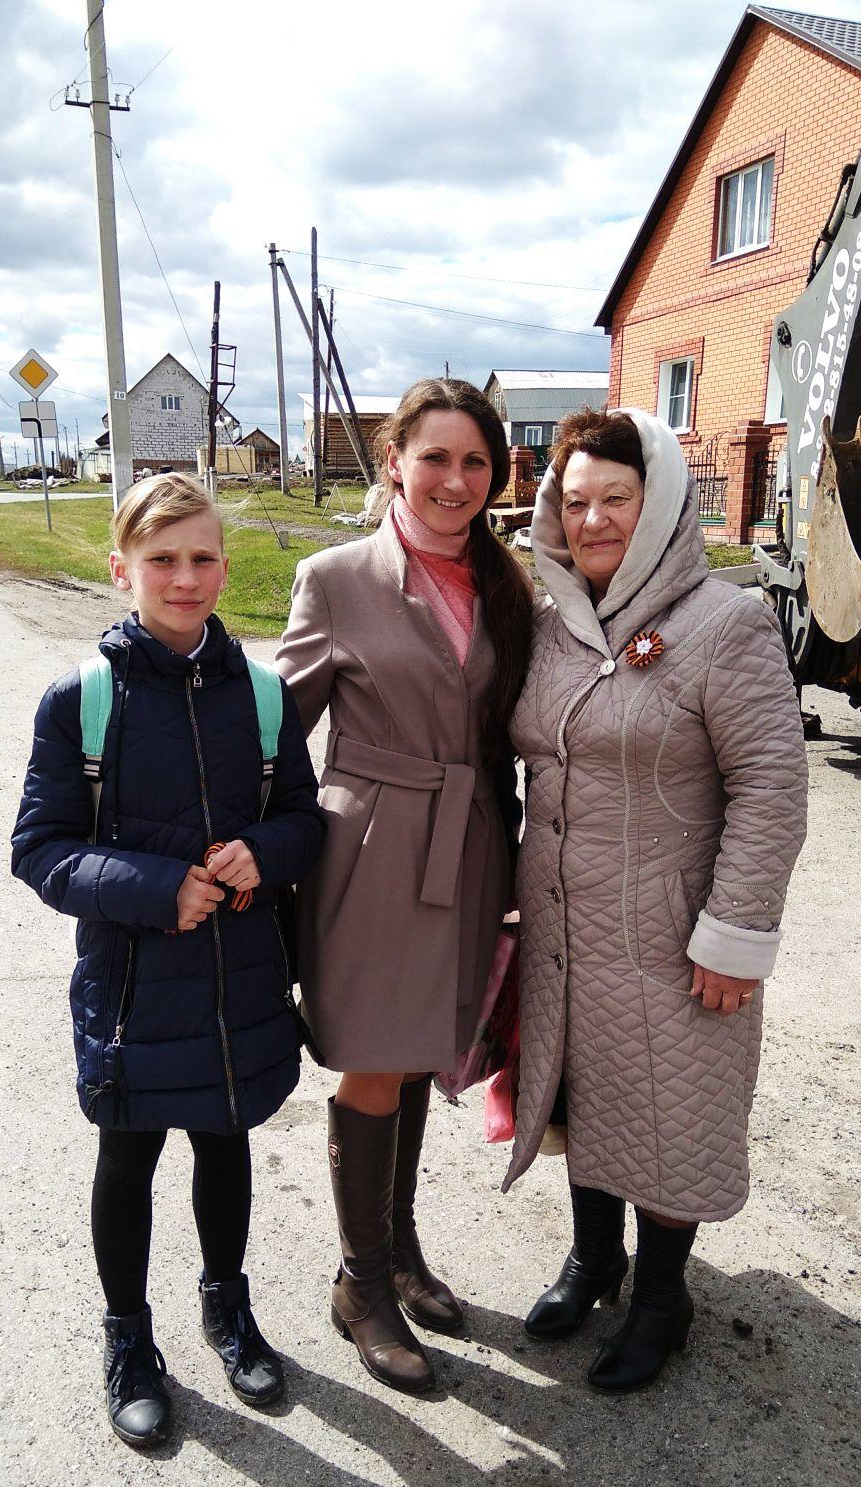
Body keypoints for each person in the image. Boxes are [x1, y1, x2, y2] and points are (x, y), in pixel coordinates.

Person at [12, 473, 324, 1447]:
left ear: (226, 567)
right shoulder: (84, 701)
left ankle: (228, 1306)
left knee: (225, 1146)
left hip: (240, 985)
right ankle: (128, 1337)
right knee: (129, 1156)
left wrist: (263, 853)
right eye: (161, 560)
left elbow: (304, 820)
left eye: (201, 558)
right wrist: (157, 888)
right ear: (122, 570)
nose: (183, 578)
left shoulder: (264, 697)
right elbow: (41, 850)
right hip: (134, 993)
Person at [504, 407, 808, 1392]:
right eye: (574, 501)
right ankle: (594, 1259)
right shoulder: (553, 626)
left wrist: (737, 932)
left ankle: (663, 1298)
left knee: (673, 1114)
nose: (592, 520)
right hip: (565, 927)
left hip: (672, 933)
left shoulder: (725, 624)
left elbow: (771, 783)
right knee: (583, 1096)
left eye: (616, 499)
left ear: (664, 503)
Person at [275, 378, 532, 1394]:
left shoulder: (507, 585)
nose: (454, 480)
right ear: (394, 463)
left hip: (470, 845)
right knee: (375, 1059)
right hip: (373, 846)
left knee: (424, 1050)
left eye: (475, 462)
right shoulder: (334, 578)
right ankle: (361, 1285)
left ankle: (401, 1250)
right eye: (435, 458)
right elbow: (275, 734)